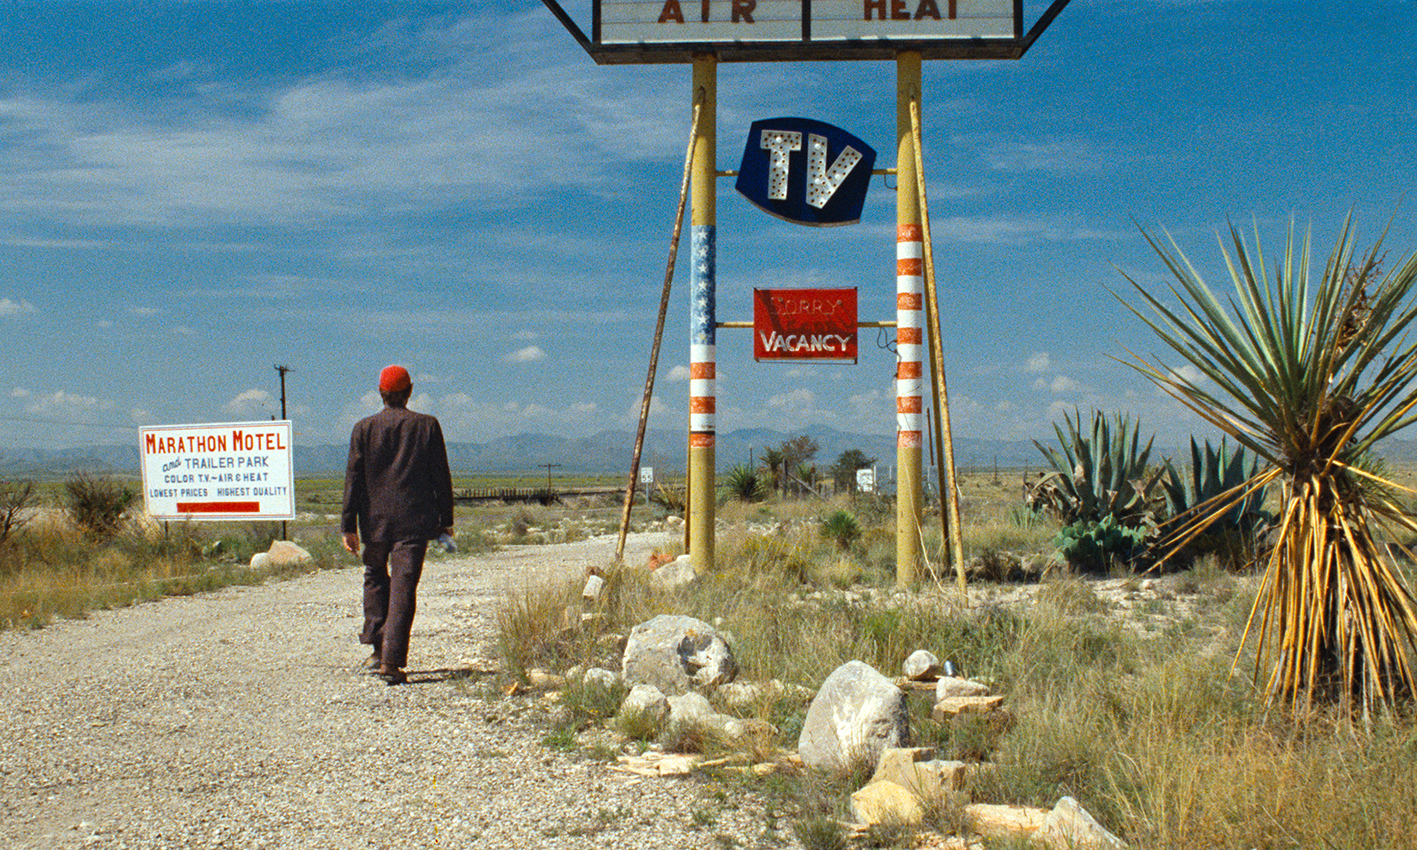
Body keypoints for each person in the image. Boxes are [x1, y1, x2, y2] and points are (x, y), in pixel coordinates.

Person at [341, 365, 454, 685]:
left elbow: (353, 479)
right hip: (414, 523)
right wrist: (445, 520)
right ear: (410, 391)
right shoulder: (427, 426)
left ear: (381, 392)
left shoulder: (363, 428)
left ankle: (377, 651)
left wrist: (348, 525)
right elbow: (440, 476)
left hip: (374, 522)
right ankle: (391, 661)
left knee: (375, 577)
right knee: (404, 587)